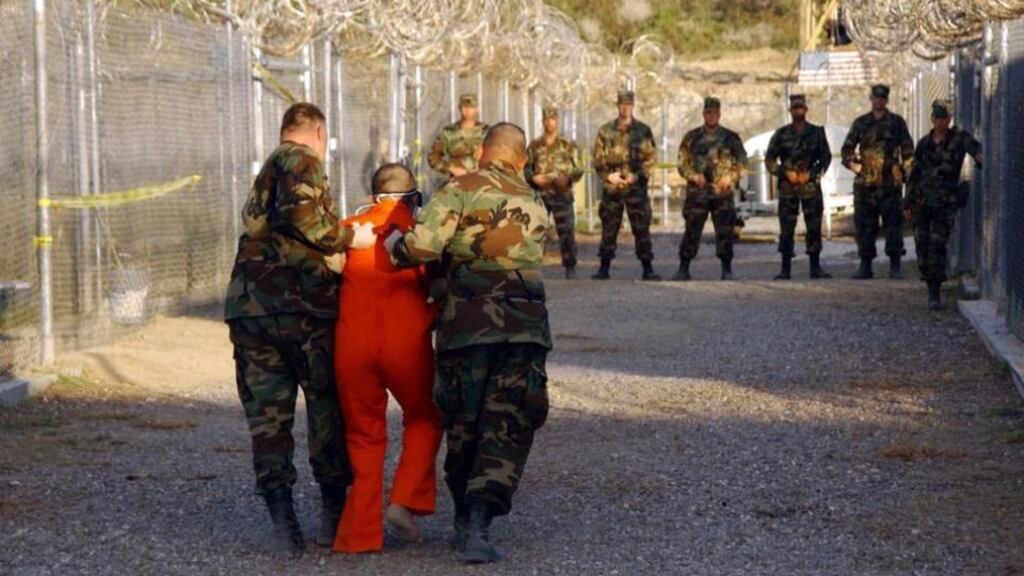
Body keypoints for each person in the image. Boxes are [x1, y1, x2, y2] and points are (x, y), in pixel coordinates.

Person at [384, 123, 552, 564]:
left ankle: (464, 518)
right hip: (523, 329)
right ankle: (478, 523)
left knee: (464, 419)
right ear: (521, 159)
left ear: (480, 152)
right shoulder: (535, 202)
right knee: (507, 421)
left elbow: (420, 248)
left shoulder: (458, 190)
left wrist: (394, 243)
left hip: (467, 328)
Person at [223, 102, 375, 557]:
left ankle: (284, 524)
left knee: (269, 420)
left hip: (253, 310)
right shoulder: (300, 159)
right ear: (319, 133)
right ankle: (332, 514)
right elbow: (302, 216)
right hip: (303, 310)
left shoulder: (269, 170)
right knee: (327, 409)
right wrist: (350, 238)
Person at [331, 164, 444, 553]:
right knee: (426, 416)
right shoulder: (419, 235)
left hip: (352, 344)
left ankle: (359, 535)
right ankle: (405, 500)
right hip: (405, 342)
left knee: (363, 435)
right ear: (413, 197)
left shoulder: (349, 230)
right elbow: (439, 282)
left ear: (373, 195)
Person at [906, 99, 982, 310]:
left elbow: (978, 153)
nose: (941, 122)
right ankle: (928, 279)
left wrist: (982, 162)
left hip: (944, 203)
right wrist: (908, 202)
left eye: (944, 118)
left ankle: (935, 291)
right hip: (922, 202)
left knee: (938, 244)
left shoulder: (959, 139)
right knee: (922, 245)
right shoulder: (924, 143)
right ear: (932, 119)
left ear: (949, 119)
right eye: (937, 118)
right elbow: (914, 174)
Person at [841, 84, 915, 280]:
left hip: (890, 184)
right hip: (866, 184)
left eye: (882, 98)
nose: (879, 101)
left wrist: (906, 174)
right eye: (876, 97)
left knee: (893, 226)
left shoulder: (896, 122)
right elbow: (847, 149)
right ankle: (865, 265)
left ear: (886, 100)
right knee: (865, 226)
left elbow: (908, 151)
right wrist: (852, 164)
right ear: (871, 98)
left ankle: (895, 266)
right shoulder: (861, 123)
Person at [675, 97, 748, 281]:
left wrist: (730, 177)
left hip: (721, 194)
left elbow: (742, 163)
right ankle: (684, 268)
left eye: (714, 112)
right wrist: (693, 176)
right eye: (708, 112)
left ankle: (726, 269)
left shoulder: (731, 138)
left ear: (719, 114)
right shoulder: (691, 137)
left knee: (725, 231)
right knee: (692, 230)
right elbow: (682, 164)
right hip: (697, 194)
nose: (711, 116)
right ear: (703, 114)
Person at [591, 89, 660, 281]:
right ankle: (604, 268)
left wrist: (637, 176)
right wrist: (608, 176)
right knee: (609, 228)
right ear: (617, 105)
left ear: (633, 106)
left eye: (628, 104)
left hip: (635, 188)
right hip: (613, 188)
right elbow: (598, 159)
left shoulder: (643, 131)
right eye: (622, 104)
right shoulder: (606, 131)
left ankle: (647, 268)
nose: (625, 108)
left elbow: (651, 159)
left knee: (641, 228)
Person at [764, 94, 833, 280]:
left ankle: (815, 267)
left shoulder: (817, 133)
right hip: (788, 189)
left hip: (810, 187)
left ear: (806, 109)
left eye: (800, 108)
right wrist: (785, 173)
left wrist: (811, 174)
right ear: (790, 110)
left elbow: (826, 157)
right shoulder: (781, 134)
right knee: (786, 229)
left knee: (814, 227)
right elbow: (769, 160)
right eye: (795, 108)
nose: (798, 111)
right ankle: (785, 268)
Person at [525, 106, 584, 279]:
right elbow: (525, 168)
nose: (550, 122)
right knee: (535, 232)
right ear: (543, 121)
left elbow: (579, 168)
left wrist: (568, 179)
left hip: (562, 195)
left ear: (557, 121)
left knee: (567, 232)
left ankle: (570, 266)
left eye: (553, 119)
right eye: (547, 119)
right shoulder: (534, 145)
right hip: (540, 195)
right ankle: (532, 267)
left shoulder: (567, 145)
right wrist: (533, 178)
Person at [428, 93, 489, 180]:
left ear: (477, 110)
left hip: (482, 180)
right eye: (464, 107)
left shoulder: (486, 131)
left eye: (471, 107)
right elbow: (433, 157)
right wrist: (451, 169)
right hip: (457, 181)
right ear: (459, 109)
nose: (467, 110)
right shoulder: (449, 132)